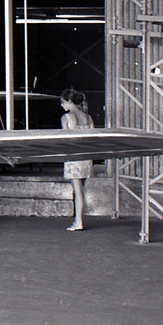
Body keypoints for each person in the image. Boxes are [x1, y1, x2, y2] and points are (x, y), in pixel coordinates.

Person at [60, 87, 94, 231]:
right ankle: (78, 219)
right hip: (86, 156)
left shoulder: (66, 117)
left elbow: (65, 139)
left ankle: (78, 221)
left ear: (69, 102)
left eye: (62, 102)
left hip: (74, 156)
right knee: (80, 190)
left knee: (77, 190)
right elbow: (92, 138)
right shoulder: (88, 117)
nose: (61, 105)